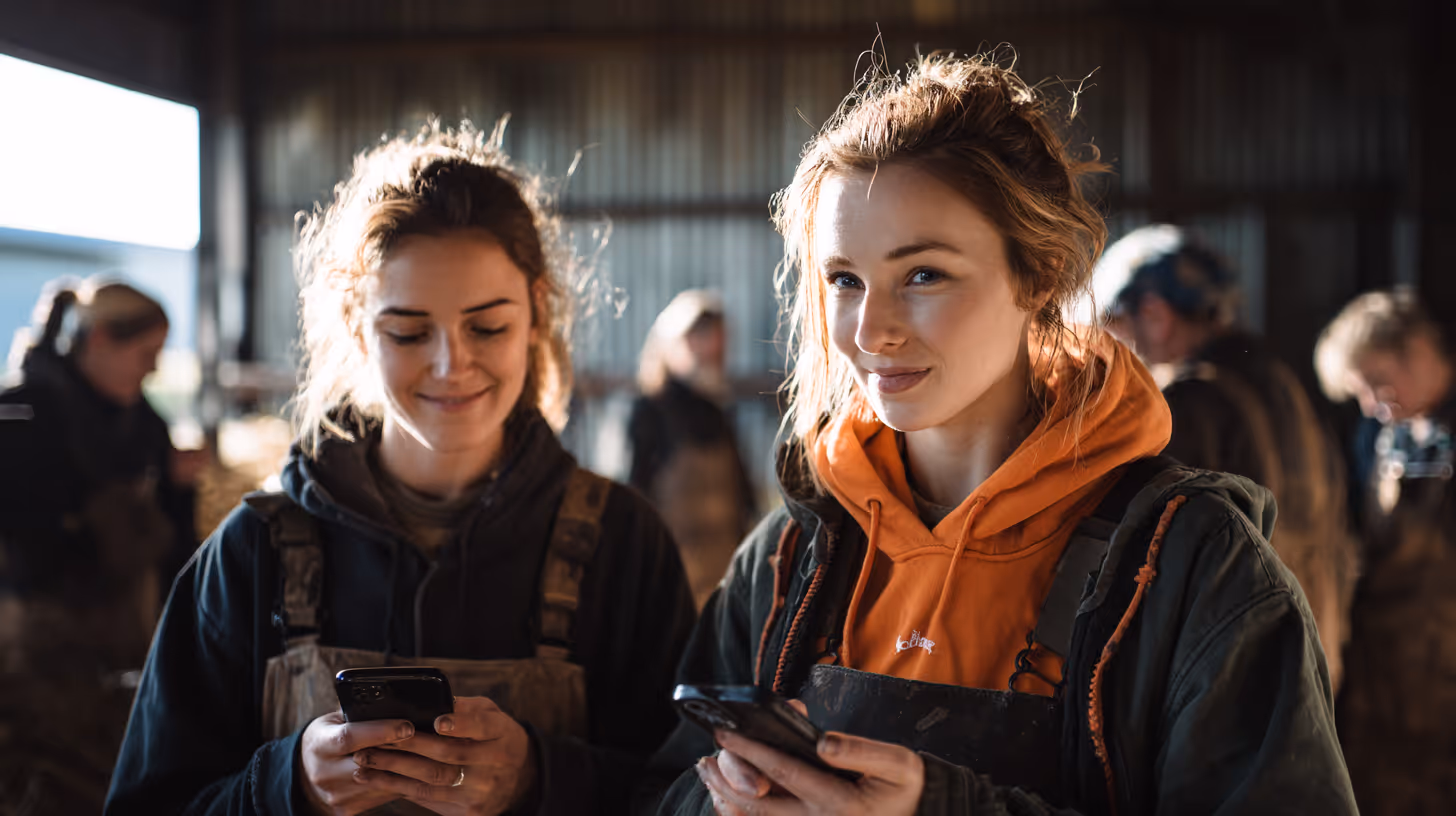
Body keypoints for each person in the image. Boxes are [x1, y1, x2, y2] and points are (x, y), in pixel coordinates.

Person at [645, 53, 1355, 816]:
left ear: (1039, 273)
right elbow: (659, 790)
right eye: (844, 279)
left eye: (923, 275)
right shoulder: (790, 558)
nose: (871, 331)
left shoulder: (1194, 568)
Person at [106, 121, 696, 815]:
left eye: (488, 326)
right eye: (409, 331)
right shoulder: (251, 552)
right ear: (358, 325)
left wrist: (542, 777)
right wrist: (283, 786)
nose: (452, 365)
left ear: (537, 311)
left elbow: (688, 794)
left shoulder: (622, 548)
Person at [1091, 224, 1358, 689]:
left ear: (1154, 315)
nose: (1111, 345)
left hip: (1236, 675)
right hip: (1311, 657)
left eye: (1114, 324)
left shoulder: (1186, 405)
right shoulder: (1282, 383)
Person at [0, 277, 199, 813]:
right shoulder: (20, 414)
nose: (153, 369)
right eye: (147, 353)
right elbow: (31, 540)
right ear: (100, 341)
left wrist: (180, 491)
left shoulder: (142, 423)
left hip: (120, 636)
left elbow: (175, 545)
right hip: (36, 645)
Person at [1314, 288, 1456, 816]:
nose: (1372, 406)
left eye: (1376, 384)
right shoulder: (1383, 436)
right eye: (1361, 396)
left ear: (1417, 350)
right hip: (1388, 676)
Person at [629, 290, 758, 607]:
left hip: (724, 570)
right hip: (674, 574)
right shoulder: (652, 412)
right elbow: (639, 495)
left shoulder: (718, 413)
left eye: (716, 339)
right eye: (698, 338)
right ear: (671, 346)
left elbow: (743, 494)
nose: (710, 349)